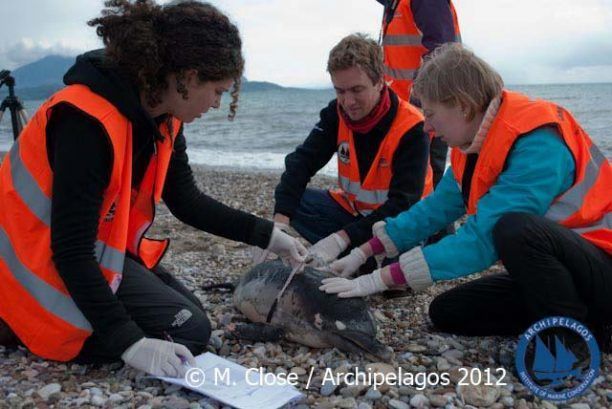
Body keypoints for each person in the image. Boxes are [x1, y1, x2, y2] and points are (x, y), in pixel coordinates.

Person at [0, 0, 307, 378]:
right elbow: (69, 250)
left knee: (188, 314)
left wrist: (268, 236)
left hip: (89, 253)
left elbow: (186, 201)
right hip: (30, 263)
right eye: (218, 91)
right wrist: (130, 343)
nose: (216, 104)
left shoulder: (163, 118)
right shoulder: (85, 120)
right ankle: (15, 320)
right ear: (189, 77)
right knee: (188, 331)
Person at [319, 43, 612, 351]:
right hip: (560, 276)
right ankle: (584, 320)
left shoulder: (538, 142)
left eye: (431, 114)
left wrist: (377, 280)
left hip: (601, 267)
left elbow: (483, 240)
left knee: (515, 230)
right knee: (448, 312)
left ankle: (570, 342)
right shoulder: (472, 144)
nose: (427, 127)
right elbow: (434, 210)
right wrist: (363, 252)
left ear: (463, 105)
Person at [273, 33, 432, 268]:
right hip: (357, 213)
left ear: (380, 82)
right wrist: (278, 224)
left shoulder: (412, 126)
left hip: (405, 222)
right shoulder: (335, 113)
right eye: (340, 91)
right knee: (294, 201)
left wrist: (341, 238)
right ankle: (358, 258)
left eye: (357, 90)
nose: (348, 102)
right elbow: (302, 162)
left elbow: (402, 204)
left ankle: (359, 257)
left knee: (397, 267)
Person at [376, 0, 461, 188]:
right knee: (409, 170)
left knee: (424, 171)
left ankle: (427, 214)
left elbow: (444, 53)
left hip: (424, 109)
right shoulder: (396, 4)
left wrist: (420, 101)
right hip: (404, 107)